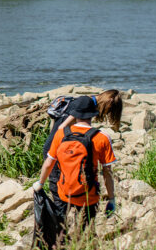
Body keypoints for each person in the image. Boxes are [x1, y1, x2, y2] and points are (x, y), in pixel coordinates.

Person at [33, 96, 117, 239]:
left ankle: (60, 245)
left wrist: (40, 184)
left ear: (74, 114)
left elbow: (49, 163)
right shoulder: (102, 137)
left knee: (60, 220)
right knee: (86, 228)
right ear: (93, 115)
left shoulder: (61, 133)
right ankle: (84, 247)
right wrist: (111, 198)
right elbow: (107, 173)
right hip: (88, 194)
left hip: (64, 190)